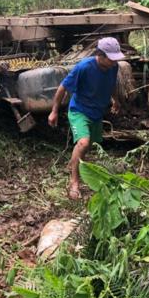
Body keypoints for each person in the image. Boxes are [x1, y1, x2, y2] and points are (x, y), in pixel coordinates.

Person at [48, 37, 125, 200]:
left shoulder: (113, 66)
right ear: (100, 55)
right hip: (79, 110)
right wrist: (54, 111)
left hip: (97, 112)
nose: (113, 62)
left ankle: (74, 163)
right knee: (83, 142)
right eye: (111, 58)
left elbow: (111, 85)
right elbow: (62, 88)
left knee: (88, 145)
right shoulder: (83, 67)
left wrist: (115, 100)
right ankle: (74, 183)